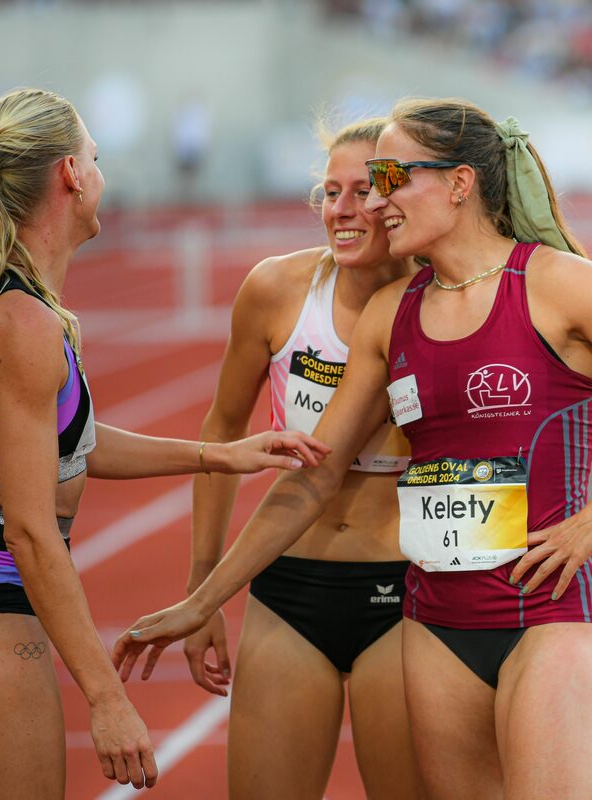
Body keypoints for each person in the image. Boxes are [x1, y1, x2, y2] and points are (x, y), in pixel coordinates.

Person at [115, 98, 592, 798]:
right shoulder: (394, 314)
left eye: (391, 177)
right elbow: (313, 479)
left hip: (549, 610)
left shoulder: (559, 284)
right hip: (435, 623)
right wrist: (201, 599)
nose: (380, 198)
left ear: (459, 182)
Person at [0, 88, 328, 799]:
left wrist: (218, 454)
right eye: (96, 155)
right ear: (71, 175)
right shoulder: (24, 325)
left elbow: (60, 445)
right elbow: (29, 530)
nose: (101, 171)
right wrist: (106, 698)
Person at [181, 116, 425, 799]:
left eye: (363, 192)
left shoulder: (441, 299)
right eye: (329, 191)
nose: (343, 211)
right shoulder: (276, 292)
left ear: (396, 200)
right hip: (287, 590)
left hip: (405, 593)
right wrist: (202, 594)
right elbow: (222, 430)